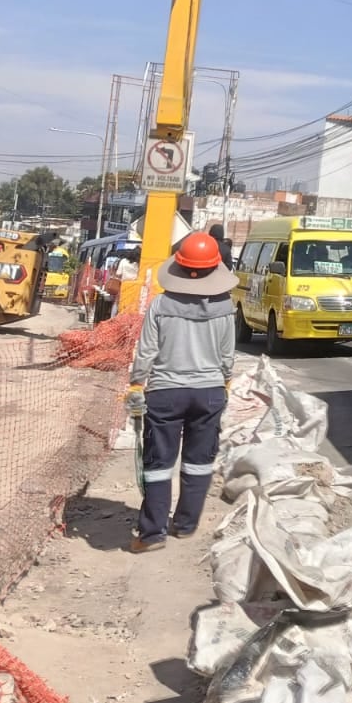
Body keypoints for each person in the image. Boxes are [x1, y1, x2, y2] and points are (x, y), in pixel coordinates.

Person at [125, 231, 238, 553]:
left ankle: (151, 535)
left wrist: (137, 382)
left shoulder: (161, 304)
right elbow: (228, 355)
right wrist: (224, 382)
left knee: (159, 464)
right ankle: (185, 526)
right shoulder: (225, 306)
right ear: (214, 269)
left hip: (165, 393)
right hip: (210, 392)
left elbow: (146, 350)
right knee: (199, 462)